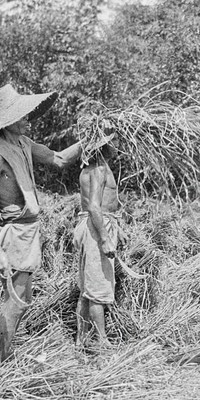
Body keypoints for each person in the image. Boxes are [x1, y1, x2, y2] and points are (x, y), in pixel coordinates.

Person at [0, 84, 82, 367]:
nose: (28, 119)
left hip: (29, 232)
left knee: (21, 301)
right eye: (22, 116)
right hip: (14, 235)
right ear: (7, 122)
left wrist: (90, 139)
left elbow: (59, 159)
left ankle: (1, 361)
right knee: (15, 302)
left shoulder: (23, 144)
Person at [73, 115, 123, 350]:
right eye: (115, 141)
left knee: (87, 288)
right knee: (97, 288)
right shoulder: (100, 169)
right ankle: (102, 344)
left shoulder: (90, 168)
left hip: (93, 224)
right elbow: (94, 206)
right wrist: (104, 239)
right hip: (96, 226)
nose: (118, 146)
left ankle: (81, 342)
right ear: (105, 144)